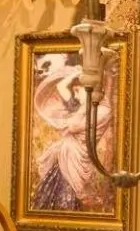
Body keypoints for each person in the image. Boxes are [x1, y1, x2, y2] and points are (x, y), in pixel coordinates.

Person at [31, 54, 116, 213]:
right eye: (75, 90)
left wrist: (88, 100)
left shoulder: (101, 112)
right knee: (50, 195)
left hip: (76, 159)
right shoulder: (77, 106)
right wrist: (76, 74)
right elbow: (61, 87)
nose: (75, 94)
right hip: (64, 156)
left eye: (79, 90)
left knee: (68, 197)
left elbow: (74, 126)